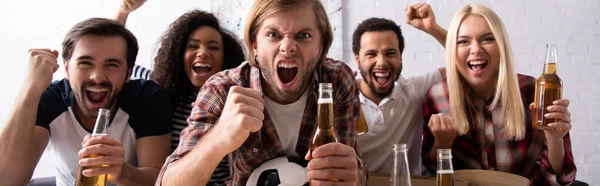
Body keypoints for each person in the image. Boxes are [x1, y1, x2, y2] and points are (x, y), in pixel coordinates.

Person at [157, 0, 367, 185]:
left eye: (303, 35)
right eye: (273, 34)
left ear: (321, 46)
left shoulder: (336, 81)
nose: (287, 47)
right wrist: (219, 137)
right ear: (255, 44)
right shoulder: (223, 88)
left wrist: (354, 177)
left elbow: (355, 171)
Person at [0, 18, 172, 186]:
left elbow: (160, 179)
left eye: (112, 65)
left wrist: (123, 173)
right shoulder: (49, 99)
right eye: (85, 63)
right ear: (66, 68)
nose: (97, 77)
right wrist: (30, 88)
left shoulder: (147, 98)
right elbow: (6, 180)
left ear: (128, 74)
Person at [421, 4, 576, 185]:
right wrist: (443, 143)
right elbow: (432, 173)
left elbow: (561, 179)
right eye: (463, 41)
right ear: (452, 50)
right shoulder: (436, 96)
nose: (476, 49)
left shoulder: (534, 90)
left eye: (487, 39)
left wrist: (555, 139)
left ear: (501, 45)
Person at [114, 1, 246, 184]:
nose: (203, 53)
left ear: (226, 58)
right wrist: (123, 12)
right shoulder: (163, 92)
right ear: (178, 55)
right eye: (193, 46)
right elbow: (114, 62)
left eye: (213, 47)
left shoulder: (235, 101)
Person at [353, 3, 447, 175]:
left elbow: (464, 63)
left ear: (400, 57)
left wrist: (433, 29)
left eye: (390, 53)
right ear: (357, 59)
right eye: (371, 54)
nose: (381, 62)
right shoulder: (341, 98)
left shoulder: (413, 90)